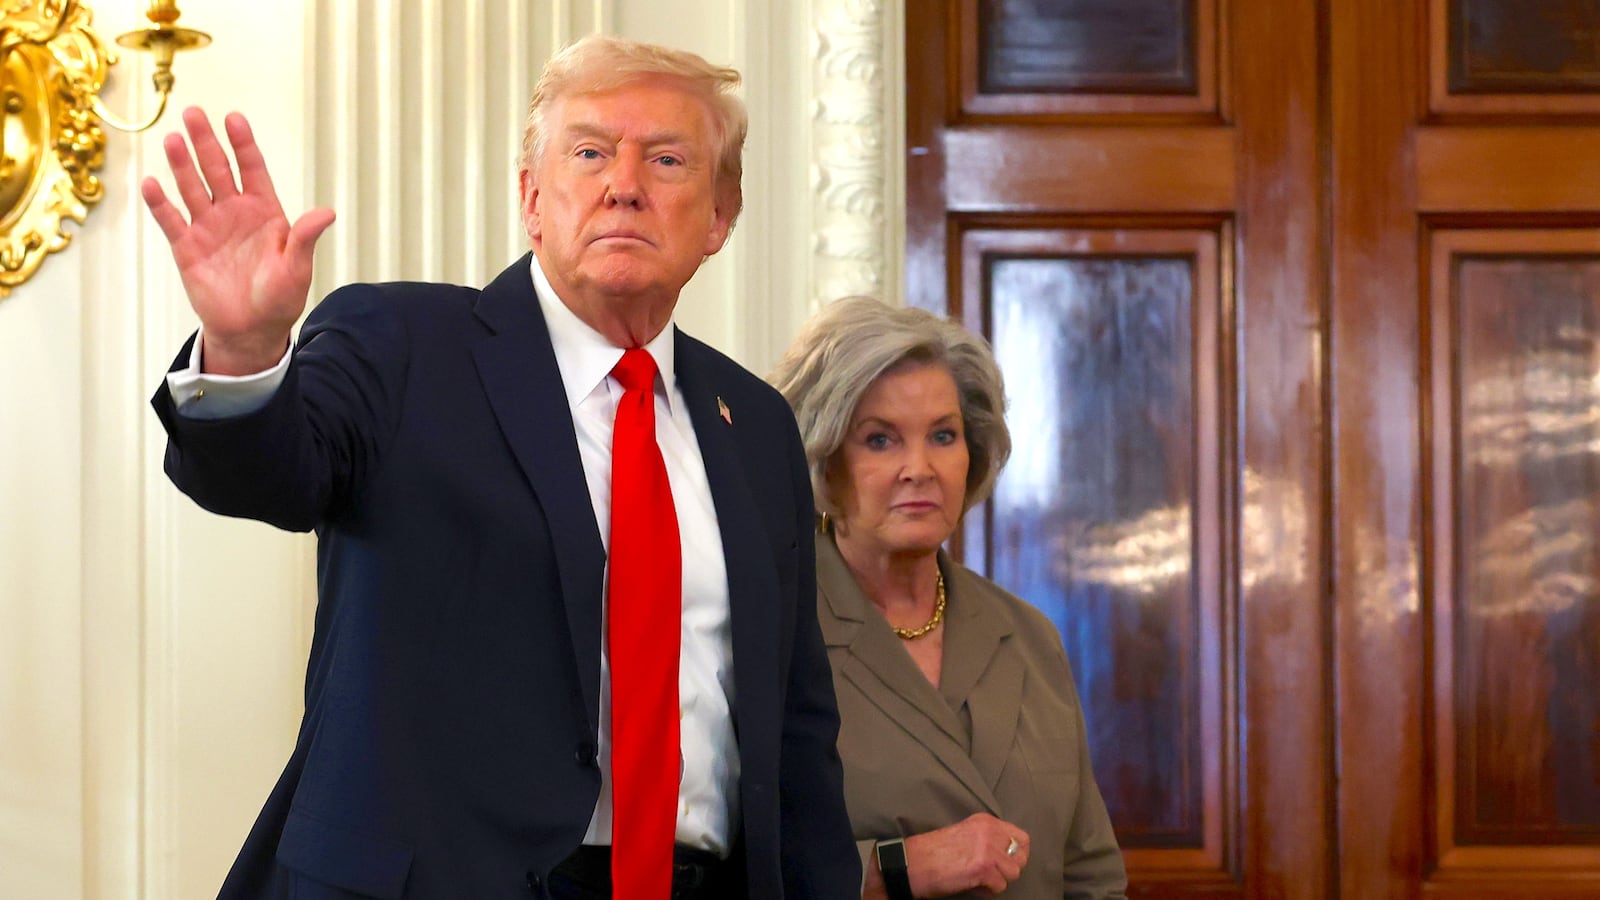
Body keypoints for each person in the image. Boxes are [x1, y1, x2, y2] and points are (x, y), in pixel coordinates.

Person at [143, 35, 858, 900]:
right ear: (531, 199)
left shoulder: (754, 425)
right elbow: (265, 475)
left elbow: (796, 724)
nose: (623, 184)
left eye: (667, 160)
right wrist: (247, 348)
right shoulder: (403, 344)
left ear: (719, 214)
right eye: (589, 151)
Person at [769, 296, 1129, 899]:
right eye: (880, 440)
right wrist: (902, 866)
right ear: (824, 460)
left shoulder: (1029, 635)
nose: (920, 467)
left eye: (943, 435)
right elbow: (735, 868)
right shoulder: (773, 629)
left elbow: (1091, 875)